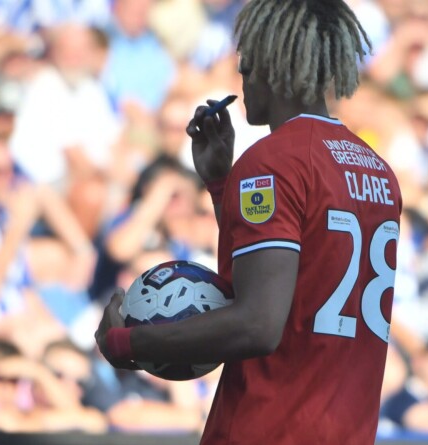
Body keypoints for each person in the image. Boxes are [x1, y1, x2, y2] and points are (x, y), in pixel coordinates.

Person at [95, 1, 403, 443]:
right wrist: (223, 185)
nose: (241, 77)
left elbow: (258, 323)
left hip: (269, 427)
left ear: (271, 64)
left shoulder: (272, 162)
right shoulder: (378, 172)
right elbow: (296, 278)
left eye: (245, 65)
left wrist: (129, 343)